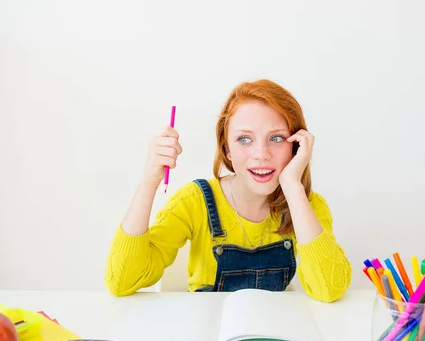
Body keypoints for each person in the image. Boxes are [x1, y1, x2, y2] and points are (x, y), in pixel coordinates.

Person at [104, 79, 352, 302]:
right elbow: (122, 282)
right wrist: (149, 180)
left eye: (276, 138)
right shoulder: (194, 201)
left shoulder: (307, 206)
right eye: (244, 139)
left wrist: (293, 188)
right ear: (227, 149)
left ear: (296, 147)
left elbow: (330, 289)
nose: (261, 154)